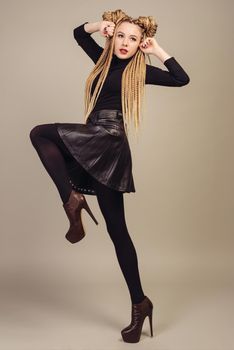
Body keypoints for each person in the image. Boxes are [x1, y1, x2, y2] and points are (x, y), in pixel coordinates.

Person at [29, 9, 190, 343]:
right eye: (121, 36)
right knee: (118, 231)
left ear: (138, 44)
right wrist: (95, 25)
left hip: (110, 139)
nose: (126, 43)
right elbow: (78, 34)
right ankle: (140, 302)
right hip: (95, 138)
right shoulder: (101, 62)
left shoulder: (139, 70)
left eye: (133, 39)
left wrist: (156, 49)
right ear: (112, 37)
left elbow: (180, 78)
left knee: (41, 133)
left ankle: (72, 199)